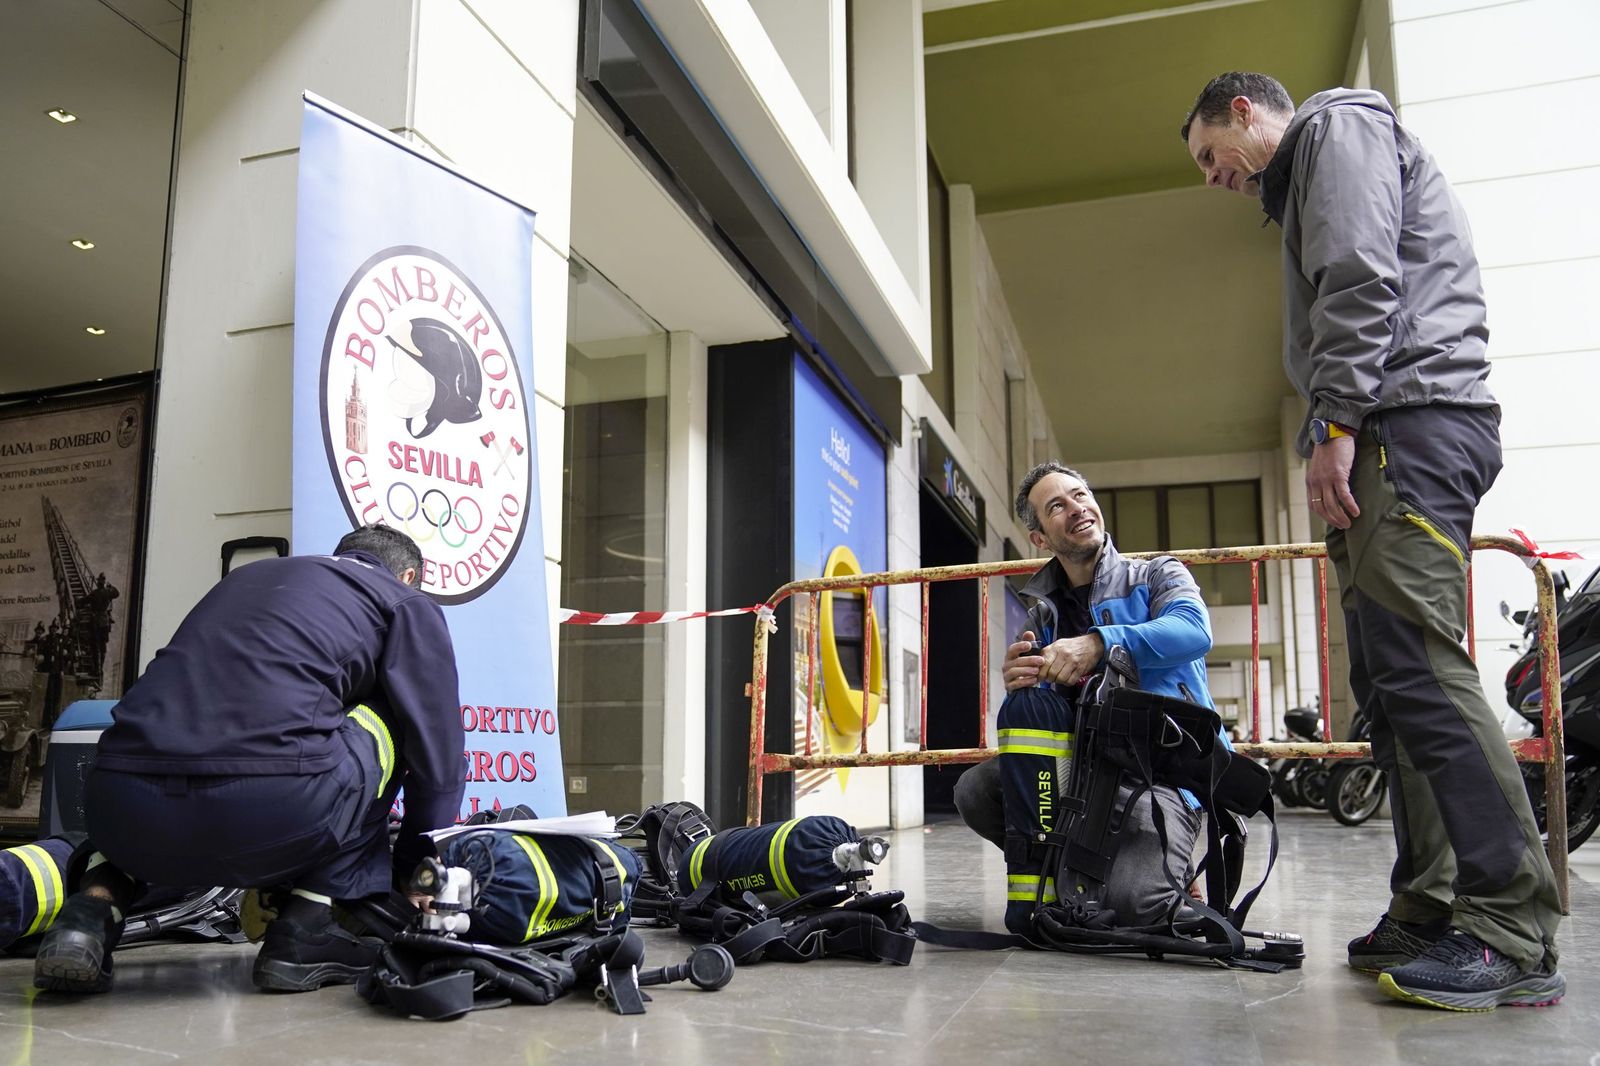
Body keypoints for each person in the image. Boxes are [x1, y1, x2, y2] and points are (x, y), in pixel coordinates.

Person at [1181, 72, 1564, 1011]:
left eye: (1207, 155)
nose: (1211, 178)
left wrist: (1340, 421)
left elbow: (1360, 271)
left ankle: (1510, 921)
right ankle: (1432, 902)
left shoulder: (1335, 129)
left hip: (1407, 421)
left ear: (1243, 113)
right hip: (1386, 424)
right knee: (1391, 687)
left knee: (1421, 668)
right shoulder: (1310, 164)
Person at [33, 524, 464, 995]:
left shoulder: (248, 580)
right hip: (270, 808)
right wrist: (415, 862)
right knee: (398, 715)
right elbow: (438, 757)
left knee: (155, 754)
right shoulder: (402, 601)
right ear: (407, 575)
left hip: (117, 806)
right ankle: (305, 927)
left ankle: (86, 918)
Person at [954, 462, 1216, 925]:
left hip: (1164, 770)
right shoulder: (1043, 615)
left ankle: (1155, 868)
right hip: (1087, 766)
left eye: (1080, 495)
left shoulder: (1155, 575)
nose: (1077, 508)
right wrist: (1021, 676)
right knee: (977, 791)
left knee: (1137, 906)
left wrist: (1100, 643)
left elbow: (1193, 631)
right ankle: (1065, 867)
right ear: (1039, 538)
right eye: (1057, 506)